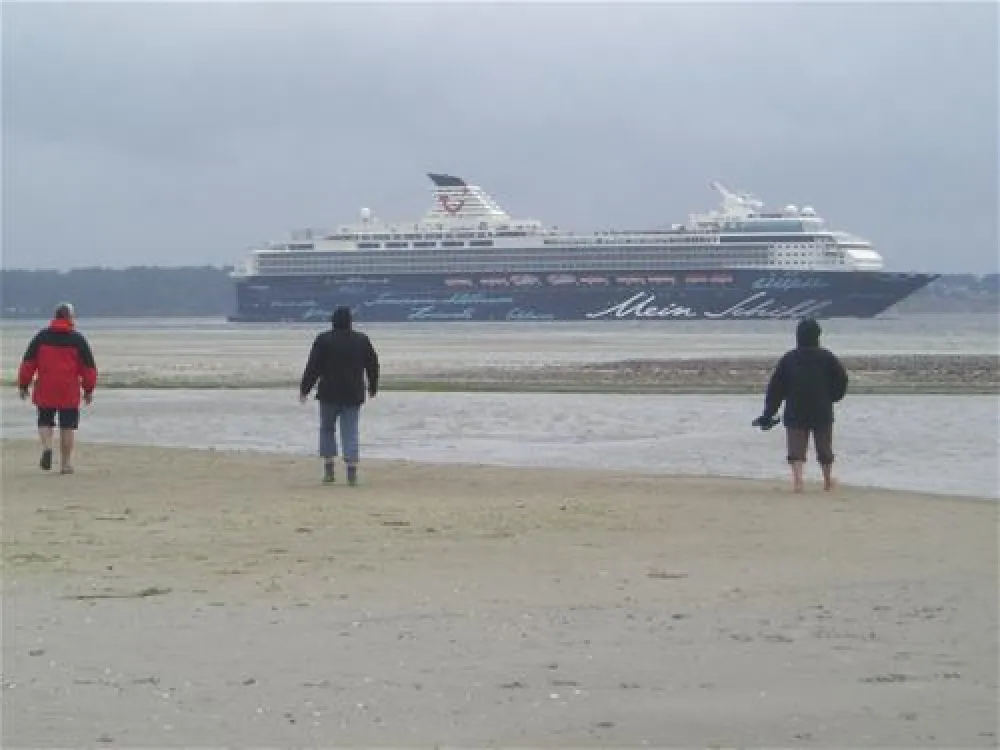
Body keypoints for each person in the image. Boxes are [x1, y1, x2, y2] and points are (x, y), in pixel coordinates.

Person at [753, 317, 848, 493]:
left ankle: (798, 482)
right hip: (822, 408)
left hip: (795, 409)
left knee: (796, 449)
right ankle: (827, 481)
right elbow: (841, 380)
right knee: (824, 448)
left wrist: (768, 414)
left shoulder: (789, 359)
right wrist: (833, 397)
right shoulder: (827, 357)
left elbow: (775, 388)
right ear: (818, 336)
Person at [299, 306, 379, 485]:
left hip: (328, 393)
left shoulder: (323, 340)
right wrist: (373, 386)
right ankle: (351, 471)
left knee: (327, 429)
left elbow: (313, 367)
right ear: (350, 321)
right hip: (353, 393)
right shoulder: (361, 340)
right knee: (350, 431)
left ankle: (329, 468)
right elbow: (373, 364)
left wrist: (305, 389)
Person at [17, 302, 98, 474]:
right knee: (67, 426)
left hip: (45, 387)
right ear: (70, 317)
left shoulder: (41, 337)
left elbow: (28, 364)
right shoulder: (77, 339)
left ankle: (47, 447)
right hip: (68, 390)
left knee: (45, 421)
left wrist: (23, 385)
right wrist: (89, 390)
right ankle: (65, 464)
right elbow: (89, 368)